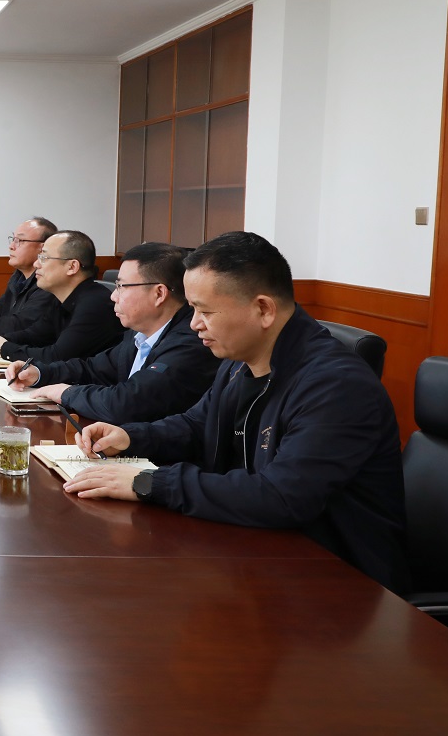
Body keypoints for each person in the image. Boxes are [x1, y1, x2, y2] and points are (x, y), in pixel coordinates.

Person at [63, 232, 408, 592]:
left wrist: (150, 482)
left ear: (263, 310)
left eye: (205, 311)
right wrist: (130, 437)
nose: (194, 324)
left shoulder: (336, 385)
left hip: (338, 587)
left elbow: (282, 497)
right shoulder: (240, 360)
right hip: (253, 554)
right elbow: (197, 425)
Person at [0, 242, 219, 424]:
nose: (113, 296)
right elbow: (93, 369)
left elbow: (126, 404)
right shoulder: (137, 335)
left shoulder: (191, 342)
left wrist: (66, 393)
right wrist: (40, 373)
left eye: (122, 287)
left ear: (159, 293)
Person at [0, 229, 123, 363]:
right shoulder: (60, 297)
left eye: (44, 258)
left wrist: (3, 348)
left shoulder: (95, 304)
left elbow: (57, 356)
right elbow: (35, 335)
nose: (36, 264)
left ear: (72, 266)